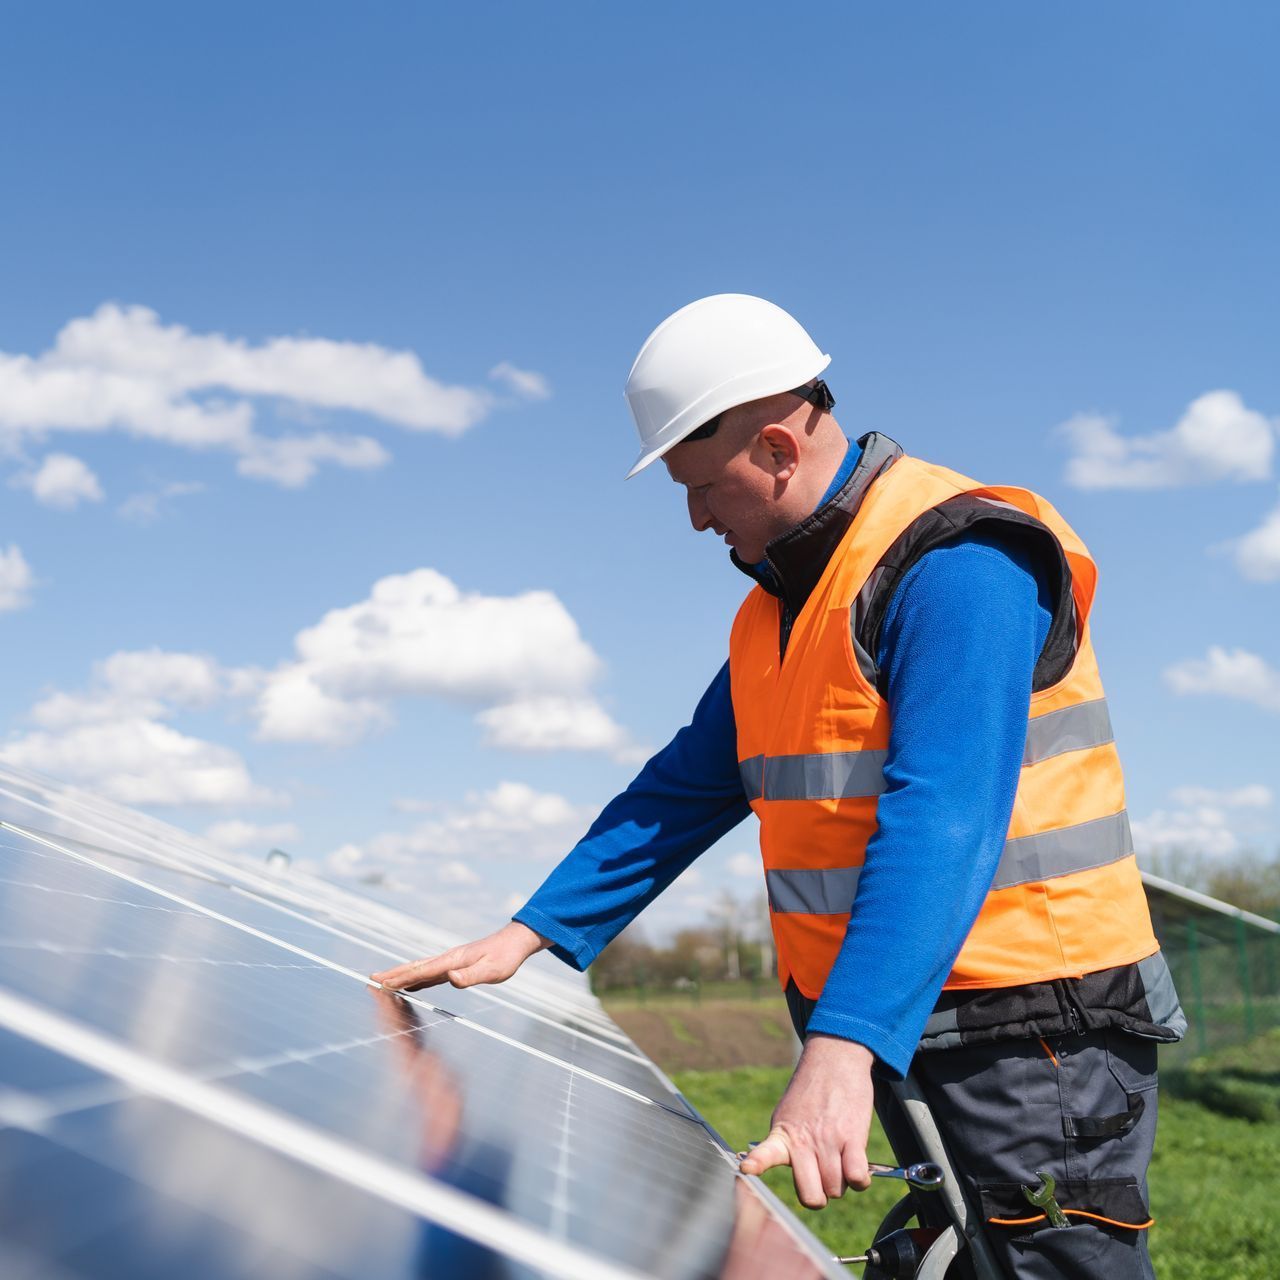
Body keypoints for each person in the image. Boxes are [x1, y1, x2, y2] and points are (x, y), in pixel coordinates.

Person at [373, 294, 1185, 1278]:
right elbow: (682, 784)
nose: (693, 517)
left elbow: (946, 815)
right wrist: (528, 932)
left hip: (1028, 1027)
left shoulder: (957, 561)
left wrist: (841, 1050)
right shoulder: (779, 608)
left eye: (702, 485)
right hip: (914, 1011)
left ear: (773, 447)